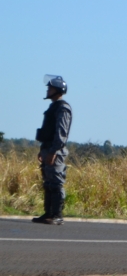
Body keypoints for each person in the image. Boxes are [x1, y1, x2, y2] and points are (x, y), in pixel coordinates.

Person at [33, 75, 72, 225]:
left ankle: (57, 215)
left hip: (55, 150)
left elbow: (61, 132)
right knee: (48, 182)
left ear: (58, 90)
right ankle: (48, 213)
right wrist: (43, 149)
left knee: (56, 182)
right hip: (48, 148)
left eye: (51, 88)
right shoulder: (53, 107)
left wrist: (54, 151)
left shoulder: (63, 107)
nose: (48, 90)